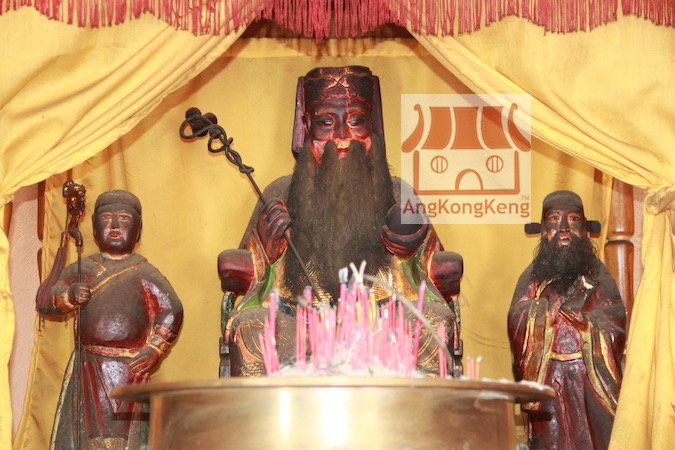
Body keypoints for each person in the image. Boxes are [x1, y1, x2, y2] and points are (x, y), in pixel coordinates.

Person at [217, 66, 463, 377]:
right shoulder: (279, 192)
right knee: (251, 327)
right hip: (298, 321)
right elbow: (243, 269)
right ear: (307, 126)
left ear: (372, 126)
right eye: (326, 123)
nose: (343, 136)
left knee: (434, 321)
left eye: (356, 121)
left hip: (385, 318)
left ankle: (417, 411)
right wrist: (266, 251)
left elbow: (435, 267)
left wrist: (412, 252)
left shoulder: (400, 191)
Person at [36, 190, 184, 449]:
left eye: (124, 219)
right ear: (94, 227)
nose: (114, 226)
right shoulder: (83, 268)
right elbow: (48, 300)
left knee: (125, 435)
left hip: (130, 369)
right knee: (85, 434)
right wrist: (69, 296)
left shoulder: (144, 272)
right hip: (87, 366)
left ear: (138, 229)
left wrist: (155, 348)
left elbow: (172, 309)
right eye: (106, 219)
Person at [507, 190, 626, 449]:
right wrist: (541, 317)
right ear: (542, 228)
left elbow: (615, 317)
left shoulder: (597, 273)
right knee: (550, 437)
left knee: (596, 436)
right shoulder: (534, 275)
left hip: (589, 373)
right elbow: (516, 315)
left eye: (573, 219)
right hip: (548, 372)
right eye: (554, 219)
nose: (563, 228)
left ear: (585, 228)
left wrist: (589, 324)